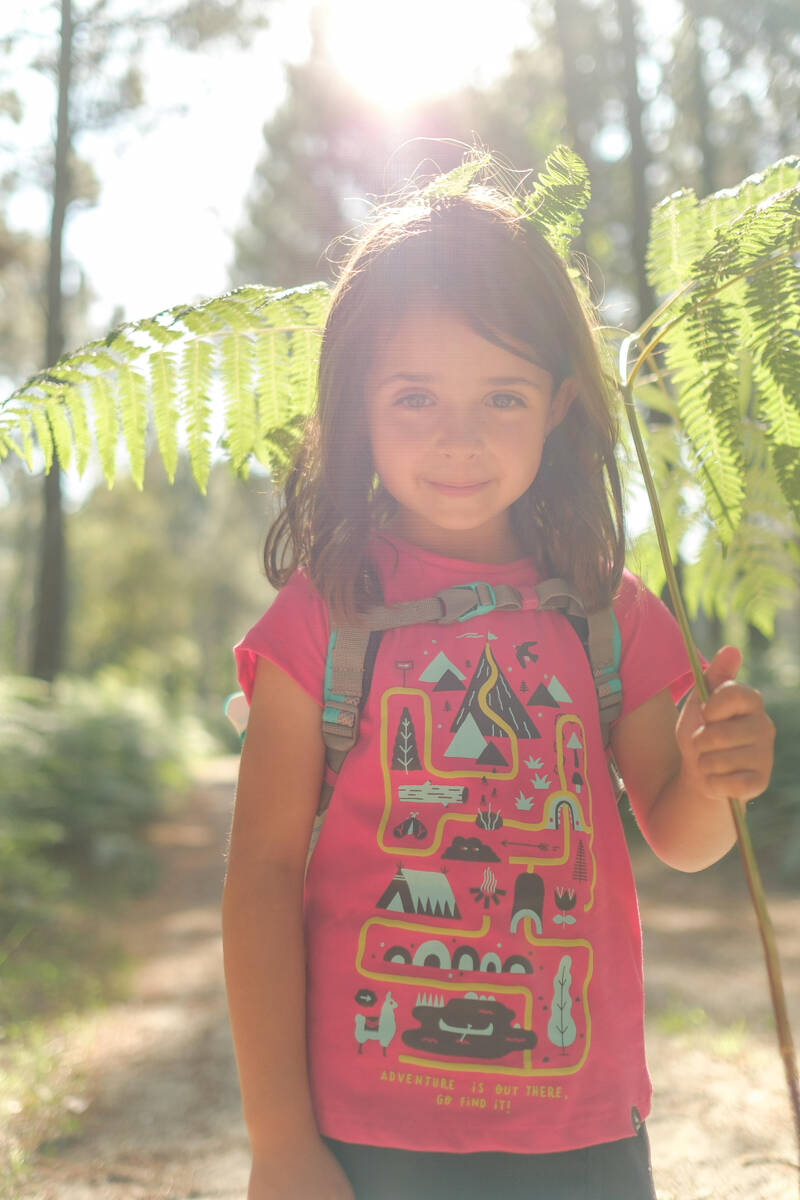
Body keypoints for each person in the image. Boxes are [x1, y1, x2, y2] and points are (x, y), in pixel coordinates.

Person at [222, 175, 775, 1200]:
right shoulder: (320, 618)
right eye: (415, 396)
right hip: (366, 1133)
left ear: (559, 402)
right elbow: (257, 878)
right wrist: (278, 1141)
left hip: (581, 1132)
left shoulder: (608, 614)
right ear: (356, 405)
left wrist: (716, 774)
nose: (457, 439)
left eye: (501, 396)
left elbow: (681, 836)